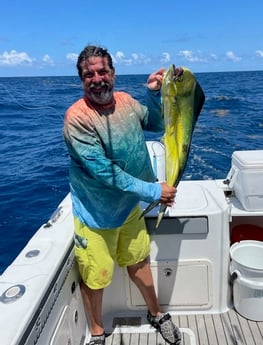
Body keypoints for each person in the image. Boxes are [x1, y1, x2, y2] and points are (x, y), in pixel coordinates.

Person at [63, 44, 181, 345]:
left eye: (102, 71)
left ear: (113, 74)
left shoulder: (126, 101)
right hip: (96, 214)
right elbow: (106, 173)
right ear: (81, 80)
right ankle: (98, 333)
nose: (97, 78)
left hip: (128, 208)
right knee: (96, 277)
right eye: (89, 75)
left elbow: (155, 123)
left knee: (139, 262)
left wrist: (155, 94)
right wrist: (154, 190)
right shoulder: (77, 119)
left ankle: (156, 313)